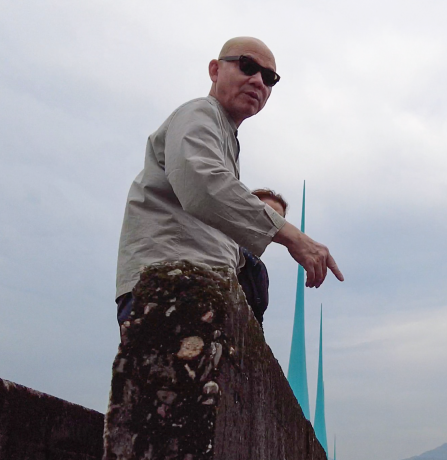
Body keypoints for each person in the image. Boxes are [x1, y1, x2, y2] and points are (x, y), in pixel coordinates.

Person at [116, 37, 342, 324]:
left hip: (207, 289)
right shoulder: (199, 112)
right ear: (215, 70)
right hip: (171, 283)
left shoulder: (225, 137)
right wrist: (294, 238)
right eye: (247, 66)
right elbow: (204, 185)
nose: (258, 81)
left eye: (269, 78)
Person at [237, 189, 287, 327]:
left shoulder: (258, 268)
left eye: (277, 220)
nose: (267, 224)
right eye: (264, 214)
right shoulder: (223, 248)